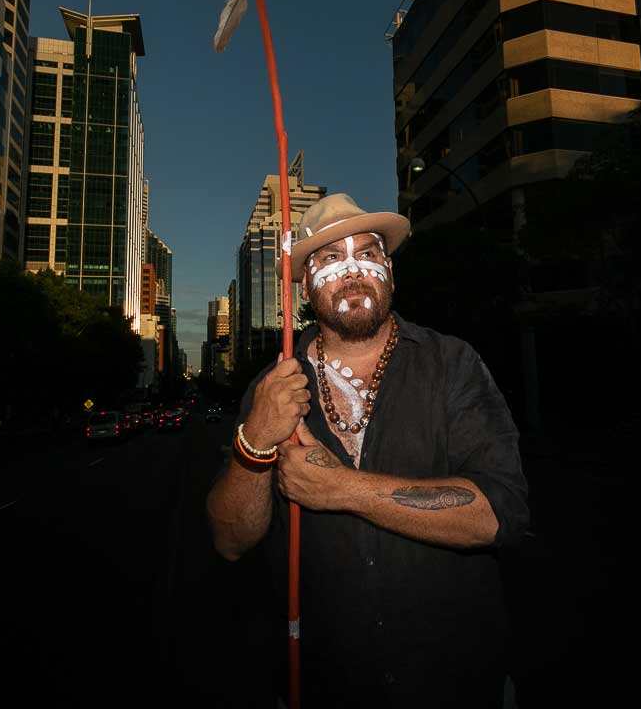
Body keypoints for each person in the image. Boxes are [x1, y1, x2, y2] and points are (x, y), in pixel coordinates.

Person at [206, 194, 530, 709]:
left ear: (391, 274)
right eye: (331, 260)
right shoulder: (271, 389)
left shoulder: (452, 363)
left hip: (457, 679)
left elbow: (500, 515)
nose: (353, 269)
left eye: (369, 254)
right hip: (326, 682)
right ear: (305, 290)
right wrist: (256, 442)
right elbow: (229, 540)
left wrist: (342, 489)